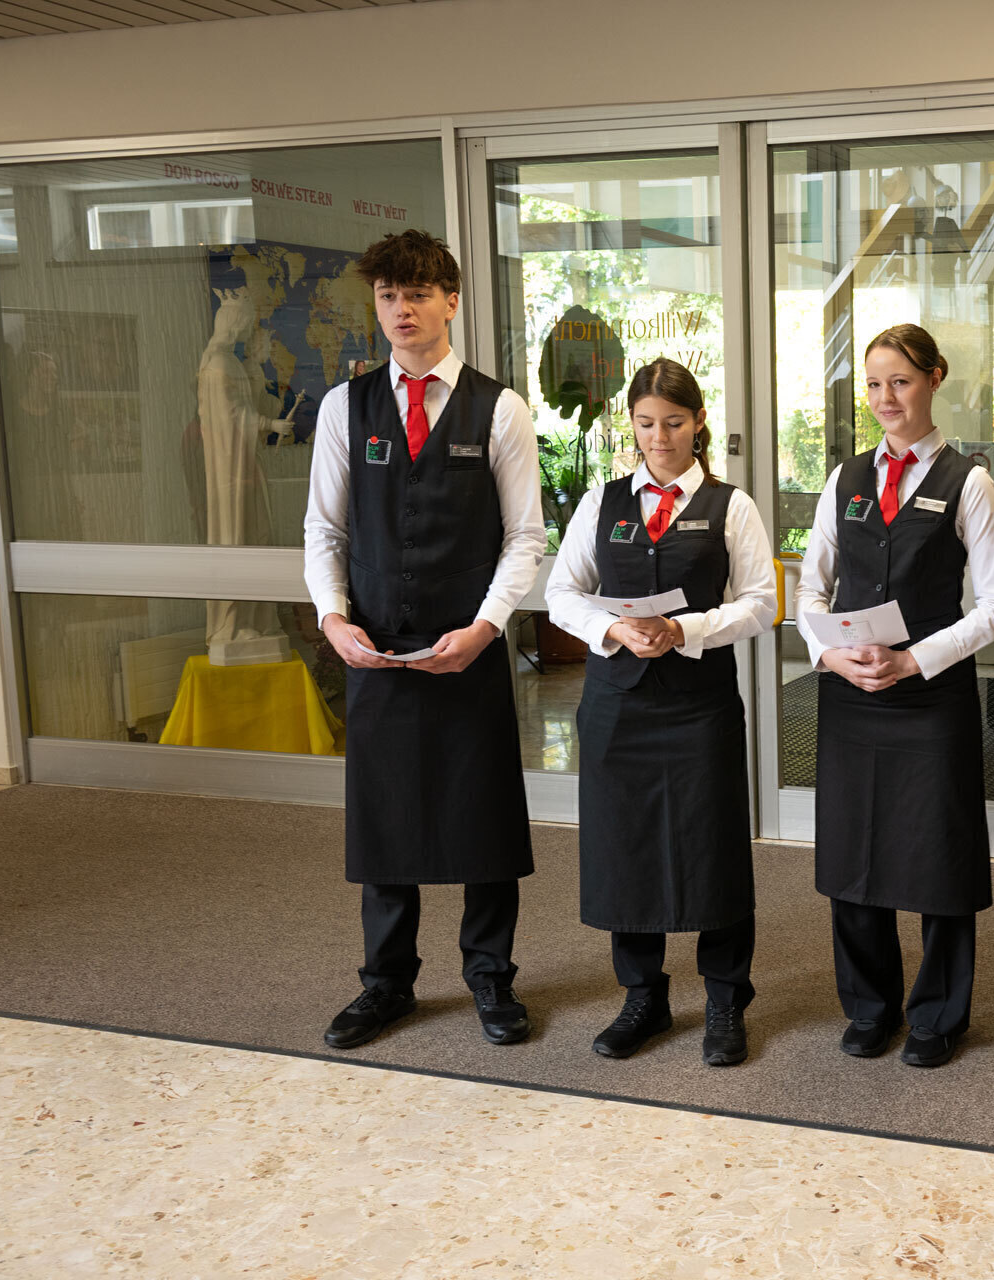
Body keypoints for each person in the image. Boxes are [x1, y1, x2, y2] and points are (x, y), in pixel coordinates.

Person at [302, 229, 546, 1051]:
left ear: (451, 301)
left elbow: (525, 537)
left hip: (467, 649)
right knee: (384, 824)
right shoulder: (346, 407)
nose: (401, 310)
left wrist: (486, 627)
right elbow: (325, 529)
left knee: (484, 823)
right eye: (388, 296)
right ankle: (386, 984)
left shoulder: (499, 409)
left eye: (416, 294)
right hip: (375, 649)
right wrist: (333, 618)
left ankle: (491, 978)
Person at [545, 359, 777, 1066]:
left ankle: (726, 999)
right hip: (617, 706)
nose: (660, 437)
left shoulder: (731, 505)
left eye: (674, 423)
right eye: (646, 424)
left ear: (698, 423)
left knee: (713, 849)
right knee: (626, 850)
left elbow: (761, 603)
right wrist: (614, 628)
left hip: (697, 707)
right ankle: (643, 997)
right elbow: (562, 593)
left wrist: (685, 629)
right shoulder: (603, 501)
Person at [798, 322, 994, 1068]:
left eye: (900, 381)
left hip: (930, 698)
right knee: (851, 852)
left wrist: (915, 661)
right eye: (873, 383)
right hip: (852, 694)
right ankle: (869, 1006)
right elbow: (811, 588)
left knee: (939, 856)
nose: (885, 397)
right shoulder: (845, 480)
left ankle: (938, 1015)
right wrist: (830, 653)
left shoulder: (968, 482)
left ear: (933, 379)